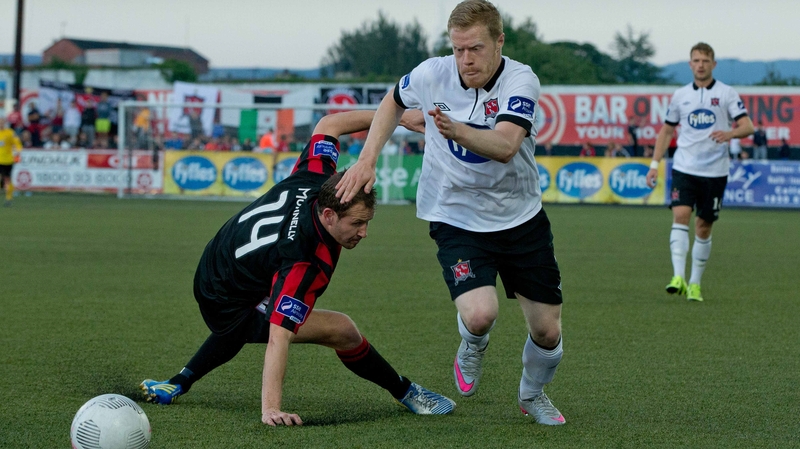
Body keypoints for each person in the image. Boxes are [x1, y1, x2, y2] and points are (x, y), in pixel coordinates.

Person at [139, 109, 455, 426]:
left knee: (247, 315)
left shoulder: (315, 177)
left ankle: (177, 383)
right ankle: (409, 393)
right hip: (223, 295)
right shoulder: (305, 259)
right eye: (357, 223)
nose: (364, 233)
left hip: (216, 264)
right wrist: (271, 409)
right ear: (329, 215)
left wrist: (398, 118)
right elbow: (280, 335)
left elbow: (329, 124)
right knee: (341, 330)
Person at [336, 0, 566, 426]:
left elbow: (505, 146)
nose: (465, 60)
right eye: (458, 49)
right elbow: (392, 101)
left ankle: (532, 395)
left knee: (547, 333)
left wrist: (455, 127)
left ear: (499, 42)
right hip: (455, 215)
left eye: (475, 48)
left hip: (520, 218)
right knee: (480, 314)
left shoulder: (521, 80)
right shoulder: (432, 73)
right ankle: (472, 344)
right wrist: (368, 158)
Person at [646, 42, 754, 302]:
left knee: (703, 226)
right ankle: (677, 277)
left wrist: (730, 133)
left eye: (705, 60)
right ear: (690, 64)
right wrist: (654, 164)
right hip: (685, 167)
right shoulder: (680, 95)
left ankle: (695, 283)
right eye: (696, 60)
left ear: (713, 64)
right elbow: (667, 131)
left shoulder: (727, 93)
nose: (701, 64)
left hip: (716, 171)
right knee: (680, 214)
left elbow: (748, 126)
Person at [0, 117, 23, 206]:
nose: (0, 124)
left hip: (7, 160)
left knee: (7, 179)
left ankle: (8, 198)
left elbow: (17, 143)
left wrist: (18, 152)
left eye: (2, 122)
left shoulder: (9, 133)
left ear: (5, 123)